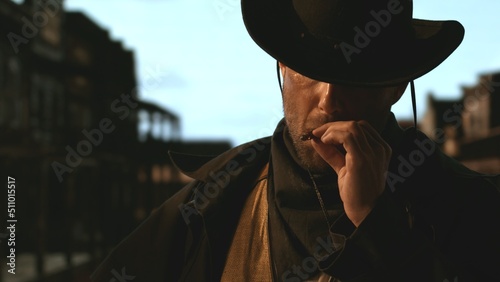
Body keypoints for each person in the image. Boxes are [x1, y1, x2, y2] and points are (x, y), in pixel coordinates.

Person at [91, 0, 500, 281]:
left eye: (353, 79)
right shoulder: (215, 203)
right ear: (283, 65)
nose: (328, 99)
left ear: (395, 86)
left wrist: (380, 226)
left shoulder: (470, 207)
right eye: (310, 70)